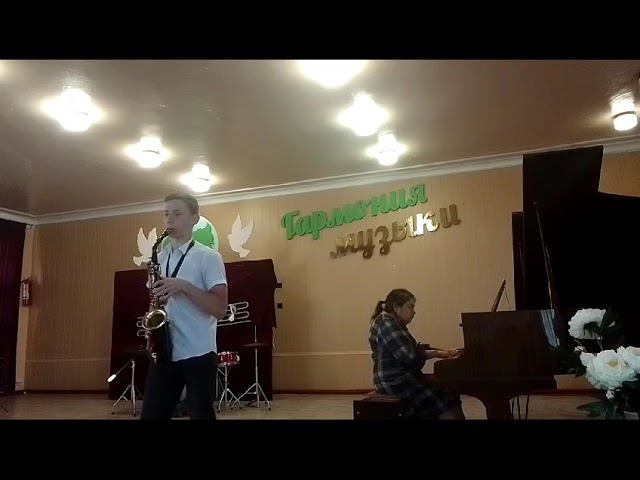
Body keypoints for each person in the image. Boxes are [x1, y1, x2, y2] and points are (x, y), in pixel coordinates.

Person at [141, 193, 228, 420]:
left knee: (201, 415)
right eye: (166, 214)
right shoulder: (159, 258)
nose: (169, 219)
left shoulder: (209, 257)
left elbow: (220, 309)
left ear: (194, 219)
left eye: (177, 214)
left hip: (198, 351)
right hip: (165, 349)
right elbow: (154, 302)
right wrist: (152, 325)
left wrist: (184, 286)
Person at [369, 288, 465, 419]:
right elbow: (408, 357)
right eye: (410, 307)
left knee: (448, 390)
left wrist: (445, 352)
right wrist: (435, 353)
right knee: (445, 398)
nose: (414, 311)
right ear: (396, 307)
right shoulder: (386, 323)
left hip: (399, 378)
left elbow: (414, 348)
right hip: (395, 381)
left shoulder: (391, 321)